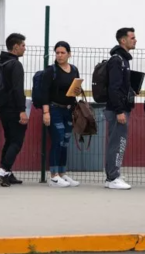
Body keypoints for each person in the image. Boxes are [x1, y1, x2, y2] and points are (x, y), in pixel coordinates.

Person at [42, 41, 81, 188]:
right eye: (57, 53)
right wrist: (46, 113)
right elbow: (44, 93)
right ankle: (53, 176)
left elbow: (75, 88)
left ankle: (63, 173)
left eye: (62, 52)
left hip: (68, 109)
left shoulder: (74, 70)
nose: (59, 55)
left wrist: (77, 90)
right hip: (54, 109)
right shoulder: (50, 71)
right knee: (57, 139)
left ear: (69, 54)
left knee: (65, 141)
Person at [104, 28, 137, 190]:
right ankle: (112, 177)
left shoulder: (124, 60)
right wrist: (119, 111)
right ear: (122, 40)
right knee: (117, 143)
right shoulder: (117, 60)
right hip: (118, 109)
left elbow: (122, 87)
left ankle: (113, 174)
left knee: (118, 142)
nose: (135, 40)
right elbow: (113, 88)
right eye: (132, 37)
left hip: (122, 107)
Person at [0, 33, 28, 187]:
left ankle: (8, 173)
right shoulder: (15, 65)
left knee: (9, 140)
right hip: (14, 109)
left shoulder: (1, 62)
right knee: (16, 141)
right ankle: (3, 170)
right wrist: (22, 110)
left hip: (2, 108)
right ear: (15, 47)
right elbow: (17, 89)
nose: (25, 48)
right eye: (23, 45)